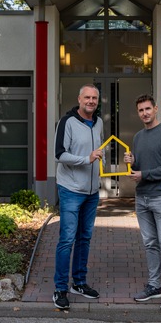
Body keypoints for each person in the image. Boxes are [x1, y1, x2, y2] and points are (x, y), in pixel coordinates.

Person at [123, 94, 161, 311]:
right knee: (150, 244)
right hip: (142, 197)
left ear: (156, 109)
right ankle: (155, 286)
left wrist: (144, 174)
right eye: (140, 110)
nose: (145, 113)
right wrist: (131, 161)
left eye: (148, 109)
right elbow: (140, 164)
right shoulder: (138, 137)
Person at [52, 83, 104, 310]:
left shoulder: (99, 122)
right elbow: (59, 154)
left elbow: (97, 152)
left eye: (94, 98)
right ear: (79, 99)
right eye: (87, 98)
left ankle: (79, 283)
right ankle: (60, 289)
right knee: (67, 239)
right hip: (71, 189)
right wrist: (87, 159)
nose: (91, 101)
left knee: (85, 238)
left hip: (92, 191)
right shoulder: (67, 122)